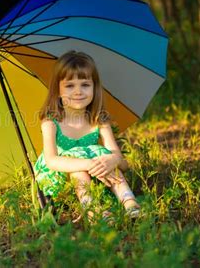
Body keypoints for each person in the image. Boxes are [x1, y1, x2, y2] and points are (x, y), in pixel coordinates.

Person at [34, 50, 140, 223]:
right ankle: (94, 212)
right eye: (70, 86)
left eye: (85, 84)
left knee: (108, 159)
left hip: (96, 173)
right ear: (58, 90)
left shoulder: (98, 120)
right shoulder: (51, 123)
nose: (78, 92)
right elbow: (52, 160)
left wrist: (112, 160)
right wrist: (88, 163)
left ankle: (131, 205)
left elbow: (121, 161)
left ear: (94, 87)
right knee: (78, 171)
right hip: (60, 177)